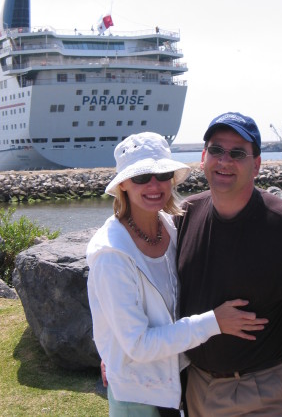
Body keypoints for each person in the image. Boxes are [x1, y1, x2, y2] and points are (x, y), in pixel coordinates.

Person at [87, 132, 268, 417]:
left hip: (178, 381)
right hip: (138, 393)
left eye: (163, 174)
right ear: (123, 184)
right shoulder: (111, 254)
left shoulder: (172, 227)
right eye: (141, 177)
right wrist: (215, 322)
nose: (154, 185)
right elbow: (138, 344)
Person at [175, 112, 282, 417]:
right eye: (216, 150)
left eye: (237, 153)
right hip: (194, 388)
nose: (224, 161)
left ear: (257, 165)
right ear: (202, 157)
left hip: (259, 393)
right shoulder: (186, 214)